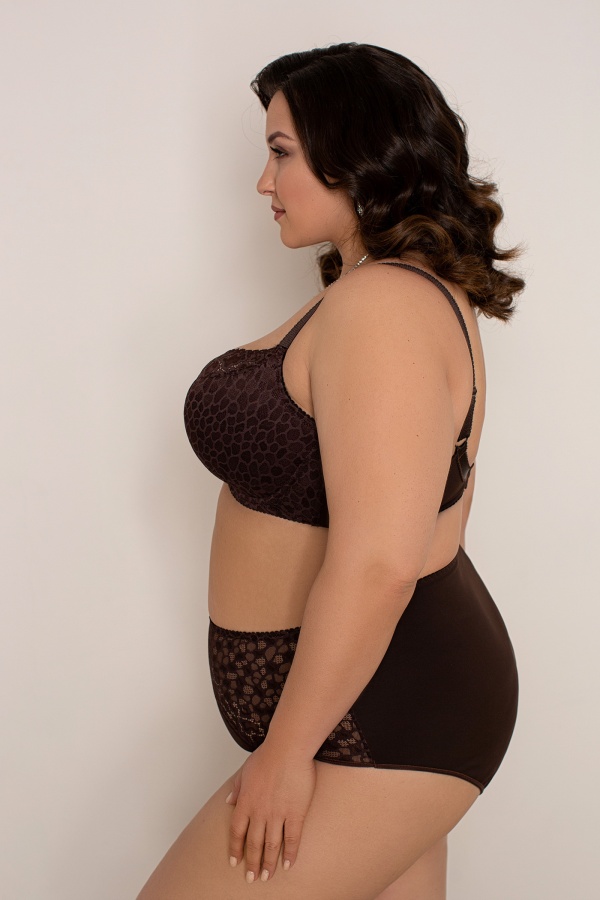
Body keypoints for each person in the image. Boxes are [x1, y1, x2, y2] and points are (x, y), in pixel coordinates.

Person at [136, 42, 523, 899]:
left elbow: (382, 564)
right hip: (370, 708)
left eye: (281, 153)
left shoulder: (384, 305)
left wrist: (285, 754)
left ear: (356, 153)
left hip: (381, 717)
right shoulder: (385, 293)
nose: (263, 182)